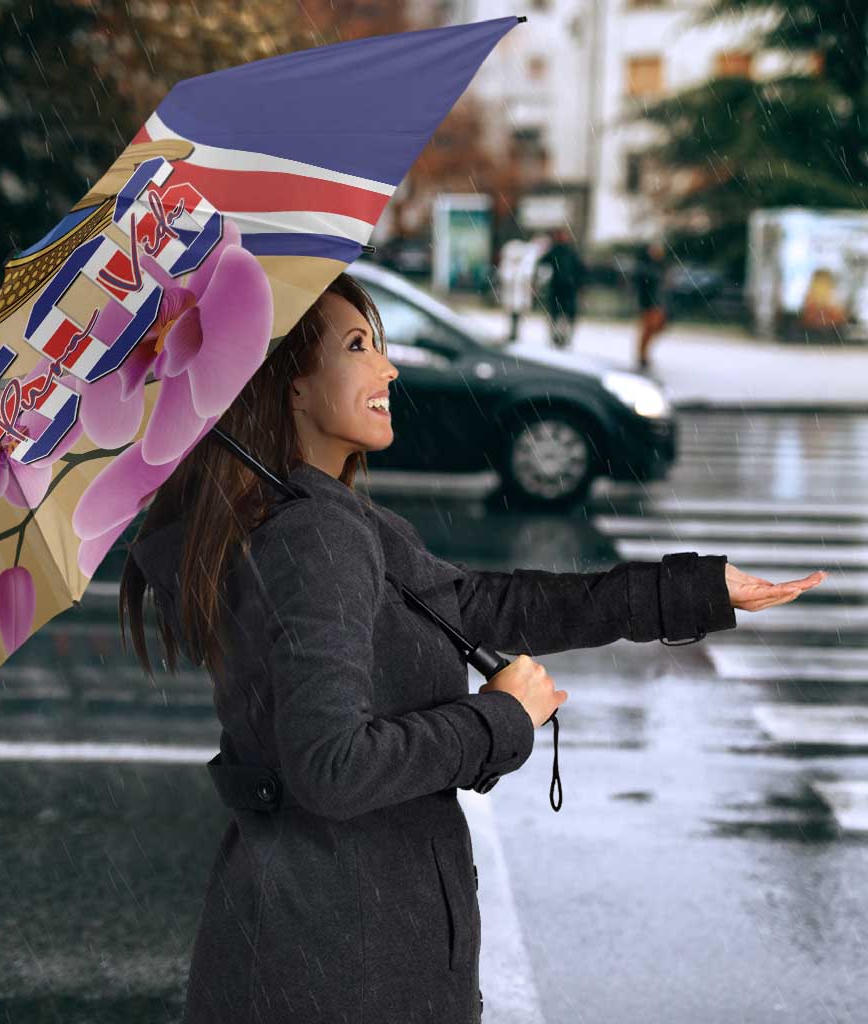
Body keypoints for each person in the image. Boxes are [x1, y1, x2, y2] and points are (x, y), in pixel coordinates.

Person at [121, 272, 825, 1024]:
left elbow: (488, 606)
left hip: (324, 944)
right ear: (290, 387)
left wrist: (693, 590)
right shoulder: (314, 537)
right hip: (340, 963)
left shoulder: (325, 520)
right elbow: (331, 767)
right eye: (359, 346)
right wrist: (499, 719)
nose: (388, 368)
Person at [536, 226, 586, 349]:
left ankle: (563, 337)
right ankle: (557, 337)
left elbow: (580, 270)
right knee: (557, 314)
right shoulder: (556, 251)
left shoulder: (569, 252)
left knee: (564, 315)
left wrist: (579, 284)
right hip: (559, 288)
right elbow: (542, 264)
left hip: (567, 288)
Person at [634, 239, 670, 370]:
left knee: (656, 328)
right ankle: (642, 355)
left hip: (658, 303)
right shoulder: (646, 267)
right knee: (648, 329)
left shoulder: (661, 266)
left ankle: (643, 354)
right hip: (649, 303)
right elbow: (643, 286)